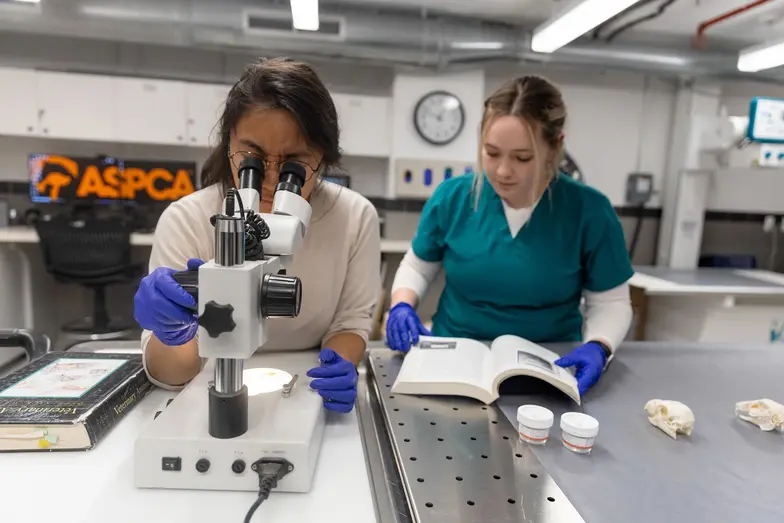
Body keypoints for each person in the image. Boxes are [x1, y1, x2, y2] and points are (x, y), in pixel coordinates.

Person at [133, 57, 380, 413]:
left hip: (303, 387)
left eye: (294, 163)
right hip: (208, 382)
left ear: (322, 156)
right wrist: (170, 332)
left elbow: (350, 322)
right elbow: (174, 374)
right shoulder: (186, 218)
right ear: (228, 142)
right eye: (253, 157)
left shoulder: (355, 217)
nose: (269, 177)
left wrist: (339, 365)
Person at [386, 74, 634, 397]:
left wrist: (600, 346)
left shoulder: (589, 211)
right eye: (491, 153)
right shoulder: (453, 198)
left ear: (556, 145)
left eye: (522, 158)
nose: (503, 171)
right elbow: (418, 266)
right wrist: (401, 306)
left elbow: (611, 302)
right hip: (455, 363)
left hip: (551, 366)